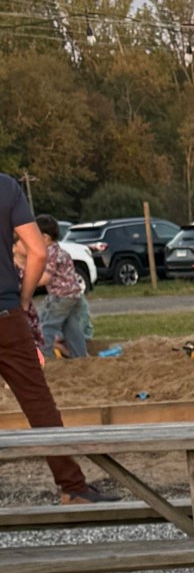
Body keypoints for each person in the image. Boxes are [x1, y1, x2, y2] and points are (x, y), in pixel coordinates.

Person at [0, 173, 118, 504]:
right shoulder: (7, 188)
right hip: (6, 315)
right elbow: (38, 252)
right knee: (39, 406)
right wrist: (23, 301)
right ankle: (72, 485)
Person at [35, 216, 93, 359]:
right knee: (72, 328)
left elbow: (45, 278)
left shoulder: (50, 254)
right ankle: (80, 357)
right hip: (73, 296)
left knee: (47, 326)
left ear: (44, 237)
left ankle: (46, 357)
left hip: (61, 297)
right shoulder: (61, 251)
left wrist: (27, 282)